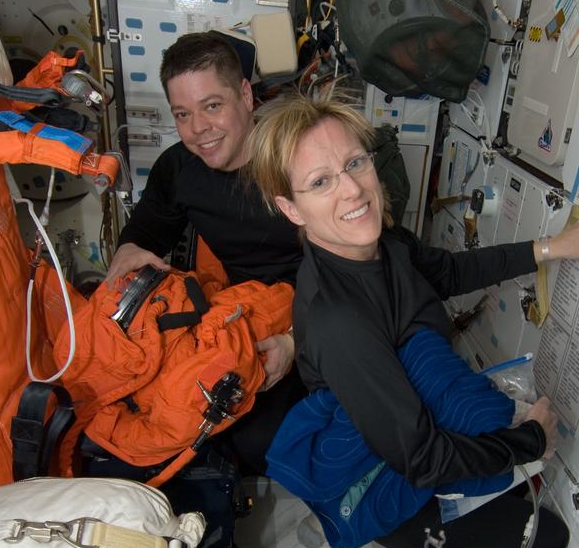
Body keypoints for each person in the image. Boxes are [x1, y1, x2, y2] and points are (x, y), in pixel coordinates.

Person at [248, 95, 579, 548]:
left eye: (355, 164)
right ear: (291, 207)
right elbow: (423, 459)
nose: (353, 191)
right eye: (321, 181)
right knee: (545, 535)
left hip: (407, 438)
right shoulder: (341, 321)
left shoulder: (383, 245)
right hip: (401, 495)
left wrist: (552, 248)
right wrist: (531, 441)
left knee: (489, 449)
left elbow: (448, 273)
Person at [104, 33, 409, 474]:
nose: (199, 130)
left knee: (276, 441)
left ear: (246, 96)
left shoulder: (297, 156)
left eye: (212, 106)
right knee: (214, 431)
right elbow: (147, 230)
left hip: (335, 305)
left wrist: (295, 340)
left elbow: (372, 266)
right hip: (249, 312)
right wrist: (129, 252)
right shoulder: (180, 168)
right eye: (183, 114)